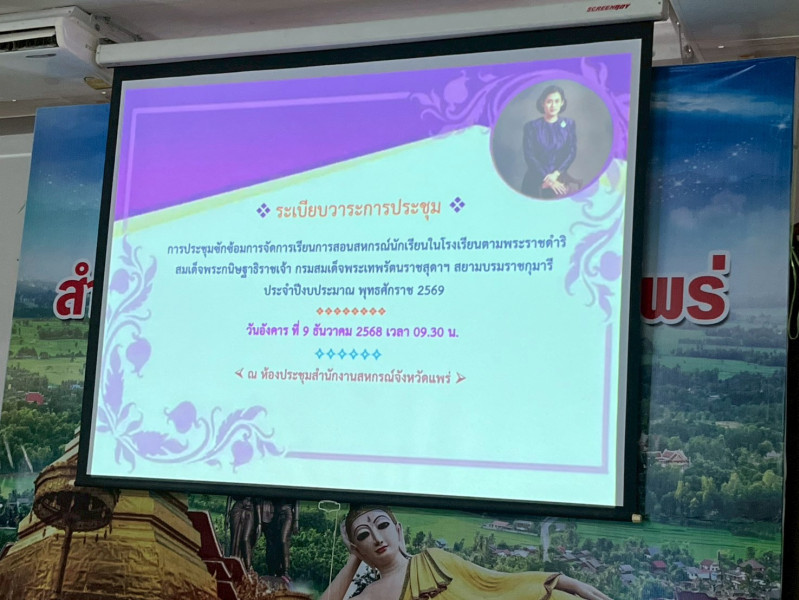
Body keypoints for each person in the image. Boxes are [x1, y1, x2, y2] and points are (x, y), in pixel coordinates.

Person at [321, 505, 613, 600]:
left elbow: (495, 583)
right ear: (357, 548)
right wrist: (354, 558)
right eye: (364, 535)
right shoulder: (372, 594)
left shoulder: (434, 559)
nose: (377, 538)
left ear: (398, 531)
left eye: (382, 525)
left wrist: (566, 583)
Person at [521, 85, 579, 199]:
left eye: (557, 101)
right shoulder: (531, 127)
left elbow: (571, 152)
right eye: (549, 101)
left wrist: (555, 175)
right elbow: (529, 155)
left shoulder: (569, 124)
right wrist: (547, 178)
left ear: (562, 103)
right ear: (542, 103)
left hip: (560, 178)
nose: (553, 105)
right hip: (536, 180)